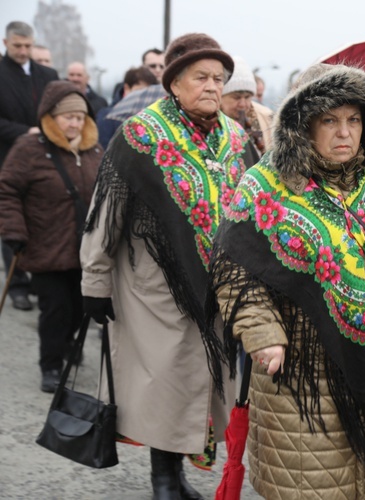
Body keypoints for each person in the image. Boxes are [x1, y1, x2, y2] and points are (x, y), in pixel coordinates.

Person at [204, 63, 365, 499]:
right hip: (299, 370)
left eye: (354, 119)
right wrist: (263, 334)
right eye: (329, 120)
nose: (344, 132)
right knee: (310, 484)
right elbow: (235, 271)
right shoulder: (264, 187)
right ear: (302, 124)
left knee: (363, 481)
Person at [79, 33, 255, 499]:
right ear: (174, 83)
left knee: (202, 386)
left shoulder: (235, 139)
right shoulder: (142, 135)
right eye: (201, 77)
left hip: (218, 288)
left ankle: (175, 475)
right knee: (168, 384)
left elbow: (252, 210)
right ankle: (163, 480)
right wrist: (94, 281)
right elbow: (106, 211)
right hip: (154, 286)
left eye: (220, 78)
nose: (213, 86)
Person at [0, 81, 102, 392]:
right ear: (51, 117)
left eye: (80, 118)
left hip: (86, 250)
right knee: (55, 311)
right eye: (68, 117)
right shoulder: (29, 149)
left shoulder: (95, 150)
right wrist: (14, 230)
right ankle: (51, 366)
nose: (75, 123)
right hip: (46, 247)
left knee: (79, 308)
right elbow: (7, 191)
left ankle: (69, 344)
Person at [0, 21, 58, 312]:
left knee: (41, 219)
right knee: (13, 221)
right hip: (7, 157)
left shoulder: (47, 74)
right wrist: (26, 131)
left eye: (27, 46)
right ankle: (18, 285)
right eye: (17, 46)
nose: (23, 51)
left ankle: (39, 278)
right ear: (5, 42)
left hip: (44, 160)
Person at [96, 65, 157, 149]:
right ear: (127, 88)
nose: (144, 97)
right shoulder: (108, 116)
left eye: (148, 93)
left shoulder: (154, 117)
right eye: (140, 91)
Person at [220, 55, 263, 164]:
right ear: (220, 97)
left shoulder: (263, 121)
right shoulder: (209, 129)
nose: (243, 104)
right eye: (237, 97)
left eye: (248, 97)